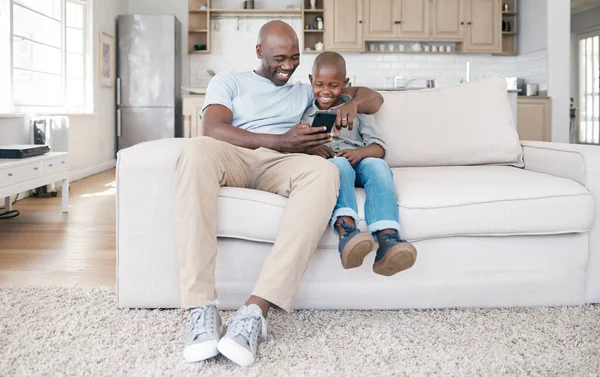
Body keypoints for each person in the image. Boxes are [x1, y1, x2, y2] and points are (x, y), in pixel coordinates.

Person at [175, 21, 384, 367]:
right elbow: (212, 129)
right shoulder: (229, 81)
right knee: (195, 151)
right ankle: (201, 308)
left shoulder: (306, 90)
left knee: (323, 172)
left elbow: (374, 97)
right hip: (236, 155)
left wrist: (353, 105)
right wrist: (278, 140)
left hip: (284, 163)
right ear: (259, 53)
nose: (288, 66)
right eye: (279, 58)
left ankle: (255, 312)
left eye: (295, 58)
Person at [301, 52, 417, 276]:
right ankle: (347, 232)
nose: (325, 91)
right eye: (319, 84)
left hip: (361, 160)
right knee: (340, 165)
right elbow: (300, 148)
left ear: (345, 84)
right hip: (334, 164)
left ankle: (388, 239)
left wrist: (359, 153)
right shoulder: (306, 114)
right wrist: (313, 150)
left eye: (334, 85)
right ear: (310, 81)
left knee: (378, 166)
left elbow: (379, 148)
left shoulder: (358, 110)